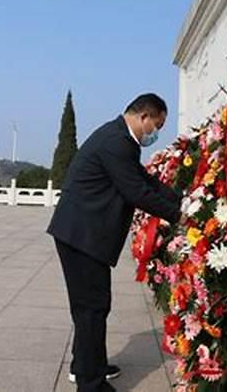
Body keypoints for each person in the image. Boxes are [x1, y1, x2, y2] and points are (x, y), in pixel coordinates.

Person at [47, 93, 184, 392]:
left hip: (82, 234)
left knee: (91, 307)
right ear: (144, 116)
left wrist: (182, 199)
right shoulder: (117, 142)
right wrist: (181, 216)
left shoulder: (119, 138)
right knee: (92, 309)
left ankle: (87, 364)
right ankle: (90, 383)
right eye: (156, 126)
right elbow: (137, 192)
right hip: (82, 237)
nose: (155, 134)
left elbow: (144, 180)